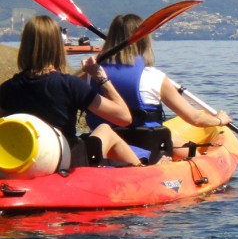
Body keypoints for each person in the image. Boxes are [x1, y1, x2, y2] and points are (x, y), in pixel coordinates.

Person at [0, 15, 142, 167]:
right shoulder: (69, 85)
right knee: (105, 129)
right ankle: (143, 172)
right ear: (57, 46)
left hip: (27, 162)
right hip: (66, 159)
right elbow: (124, 117)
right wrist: (101, 78)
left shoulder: (7, 88)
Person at [85, 14, 231, 137]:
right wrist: (219, 120)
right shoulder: (153, 77)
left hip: (104, 146)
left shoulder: (89, 75)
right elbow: (195, 118)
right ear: (144, 40)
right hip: (147, 150)